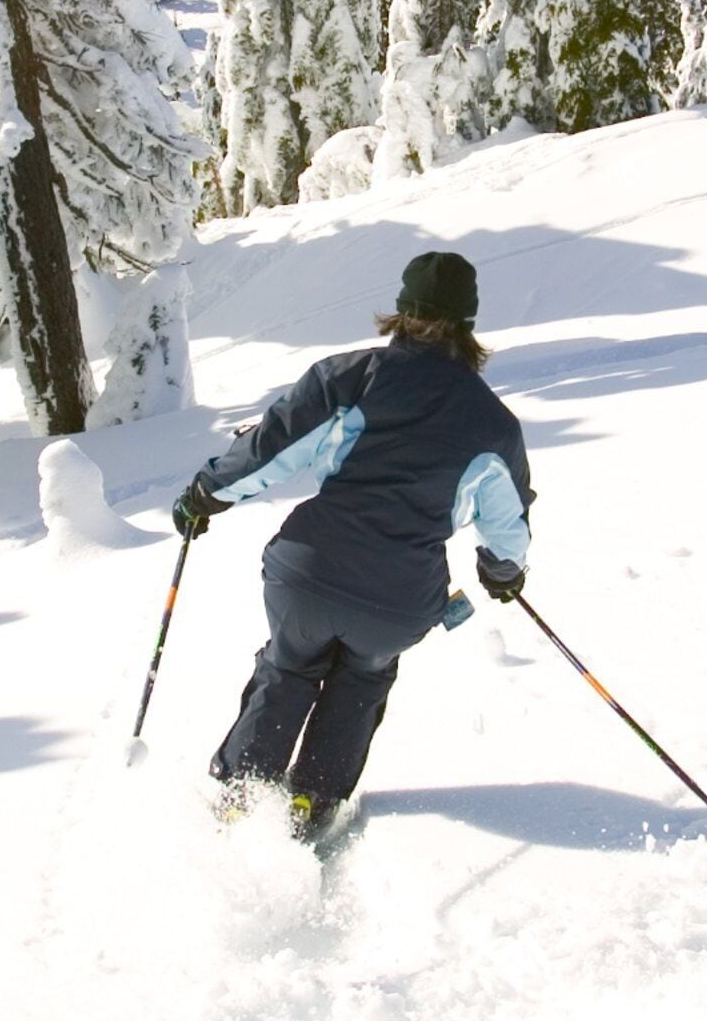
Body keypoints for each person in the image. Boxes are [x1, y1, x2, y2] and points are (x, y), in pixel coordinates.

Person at [171, 250, 534, 842]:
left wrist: (205, 496)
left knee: (288, 667)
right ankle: (312, 802)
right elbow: (507, 523)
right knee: (363, 678)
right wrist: (502, 573)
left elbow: (270, 449)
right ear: (468, 324)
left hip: (307, 574)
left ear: (402, 309)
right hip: (398, 601)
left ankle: (242, 793)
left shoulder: (349, 377)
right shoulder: (493, 423)